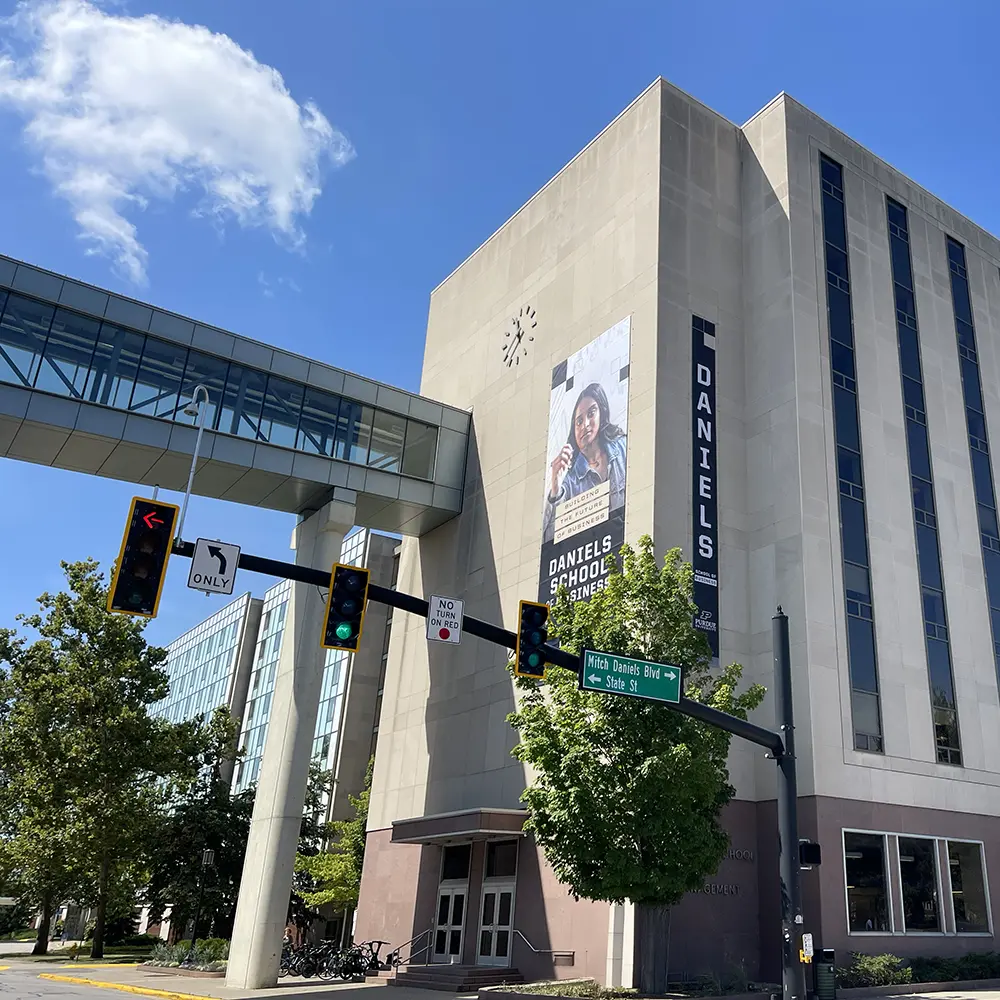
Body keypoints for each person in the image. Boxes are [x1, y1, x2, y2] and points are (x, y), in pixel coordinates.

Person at [543, 381, 627, 543]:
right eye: (579, 421)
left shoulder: (623, 447)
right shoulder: (569, 481)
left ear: (601, 414)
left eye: (591, 413)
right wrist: (555, 489)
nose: (585, 425)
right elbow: (551, 542)